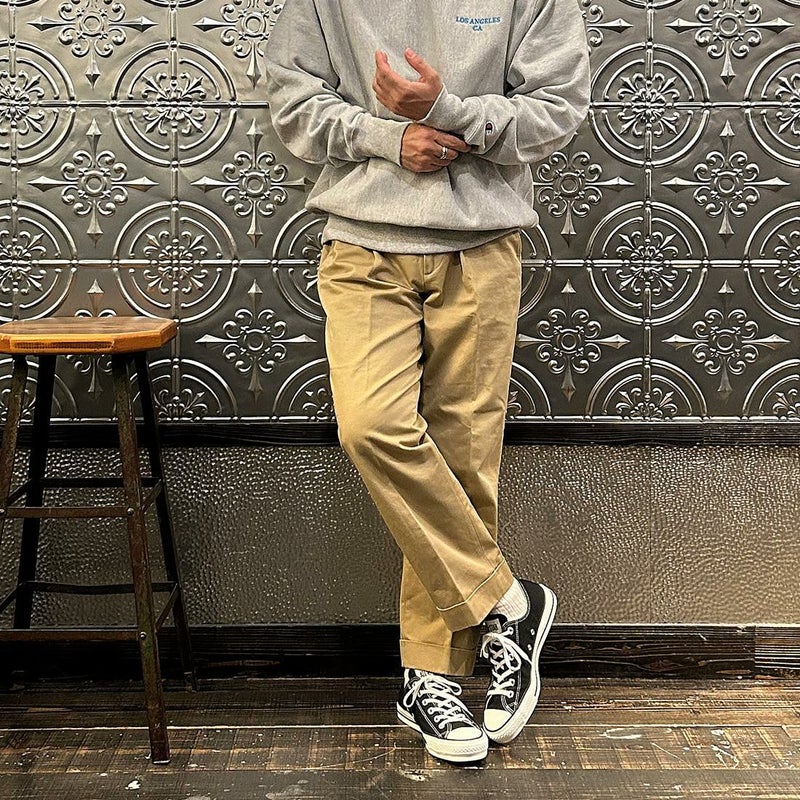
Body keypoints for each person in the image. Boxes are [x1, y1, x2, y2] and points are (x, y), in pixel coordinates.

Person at [264, 0, 591, 764]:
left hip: (481, 245)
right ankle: (509, 601)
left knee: (463, 461)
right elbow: (293, 103)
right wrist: (389, 136)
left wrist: (447, 111)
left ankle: (430, 677)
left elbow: (558, 111)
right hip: (363, 245)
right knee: (371, 426)